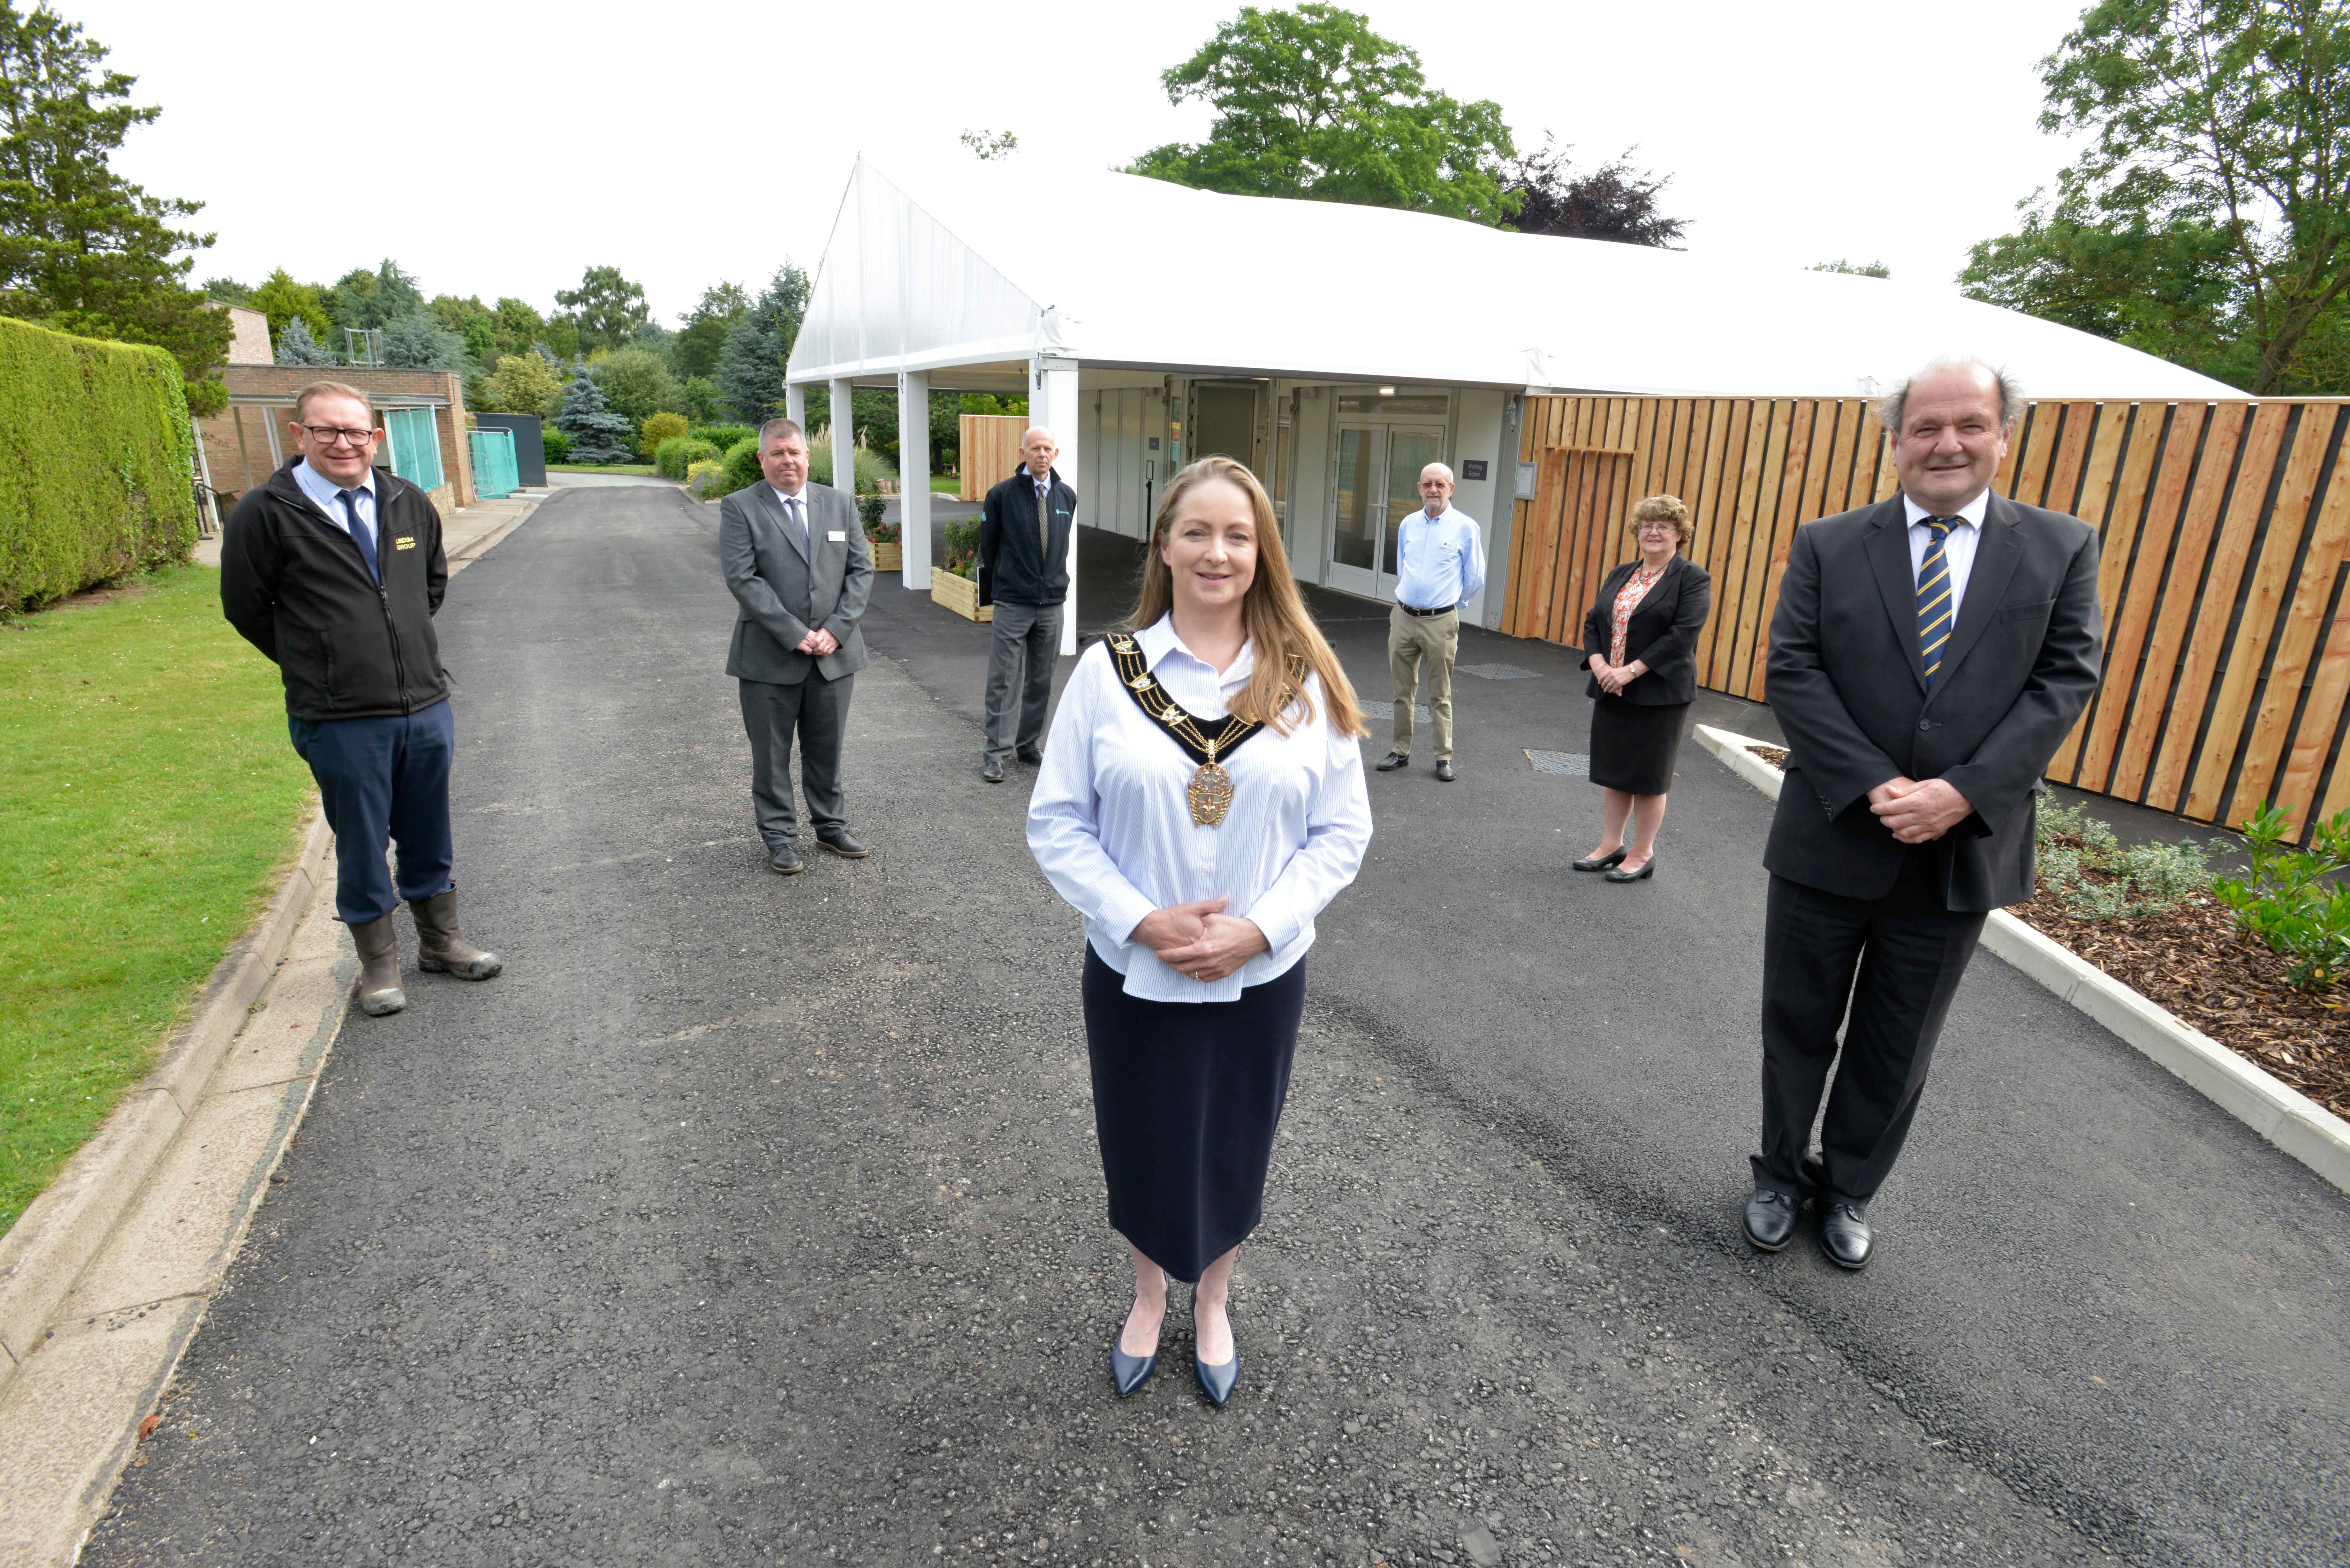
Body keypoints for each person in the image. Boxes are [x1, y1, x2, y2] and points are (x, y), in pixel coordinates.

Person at [1027, 456, 1372, 1407]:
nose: (1215, 551)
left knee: (1232, 1142)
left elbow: (1341, 831)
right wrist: (1140, 916)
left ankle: (1212, 1300)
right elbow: (1056, 820)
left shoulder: (1302, 684)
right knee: (1139, 1139)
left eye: (1236, 534)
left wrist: (1256, 928)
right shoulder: (1105, 675)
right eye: (1196, 531)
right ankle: (1147, 1295)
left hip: (1259, 977)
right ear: (1164, 545)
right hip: (1135, 969)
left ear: (1259, 552)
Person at [1743, 358, 2101, 1270]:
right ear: (1896, 441)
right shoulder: (1830, 543)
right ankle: (1780, 1174)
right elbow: (1793, 669)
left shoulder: (2060, 547)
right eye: (1927, 427)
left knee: (1897, 1044)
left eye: (1970, 425)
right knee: (1796, 1023)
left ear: (2002, 436)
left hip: (1958, 853)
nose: (1948, 443)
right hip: (1831, 837)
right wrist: (1873, 782)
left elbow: (2066, 680)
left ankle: (1849, 1187)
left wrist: (1963, 793)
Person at [221, 380, 501, 1017]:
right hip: (341, 717)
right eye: (327, 430)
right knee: (361, 839)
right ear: (300, 435)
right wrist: (322, 660)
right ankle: (377, 965)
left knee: (429, 830)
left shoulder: (406, 501)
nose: (343, 442)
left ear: (376, 436)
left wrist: (397, 650)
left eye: (356, 431)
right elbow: (246, 608)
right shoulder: (265, 513)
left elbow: (429, 586)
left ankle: (441, 941)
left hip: (424, 705)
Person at [718, 418, 875, 874]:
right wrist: (795, 633)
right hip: (769, 656)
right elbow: (743, 579)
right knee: (771, 755)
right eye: (778, 454)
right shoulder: (740, 507)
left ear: (808, 456)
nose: (788, 461)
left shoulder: (840, 504)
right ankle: (781, 838)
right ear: (762, 459)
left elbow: (861, 572)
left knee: (827, 749)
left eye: (795, 453)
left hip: (834, 655)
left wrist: (838, 629)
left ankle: (830, 827)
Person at [1574, 495, 1713, 882]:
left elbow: (1682, 636)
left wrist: (1629, 672)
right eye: (1647, 525)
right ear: (1637, 531)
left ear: (1680, 535)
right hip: (1610, 688)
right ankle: (1610, 845)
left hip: (1659, 696)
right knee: (1614, 771)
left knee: (1649, 778)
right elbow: (1593, 621)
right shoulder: (1621, 573)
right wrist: (1601, 665)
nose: (1653, 532)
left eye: (1664, 526)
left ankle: (1641, 852)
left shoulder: (1692, 578)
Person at [977, 426, 1076, 782]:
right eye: (1035, 449)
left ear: (1056, 453)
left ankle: (1028, 744)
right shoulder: (1002, 495)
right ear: (1023, 453)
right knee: (1003, 679)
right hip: (1013, 602)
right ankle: (996, 752)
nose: (1041, 454)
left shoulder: (1066, 496)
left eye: (1047, 448)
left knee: (1041, 679)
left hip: (1051, 603)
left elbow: (1060, 547)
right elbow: (988, 548)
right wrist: (1006, 582)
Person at [1376, 463, 1485, 782]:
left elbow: (1475, 576)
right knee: (1402, 690)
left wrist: (1453, 604)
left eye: (1440, 484)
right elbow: (1402, 566)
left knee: (1440, 693)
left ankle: (1442, 757)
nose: (1433, 489)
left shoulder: (1465, 527)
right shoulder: (1408, 524)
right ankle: (1400, 750)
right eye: (1427, 484)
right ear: (1419, 488)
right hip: (1404, 618)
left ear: (1451, 489)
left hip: (1440, 621)